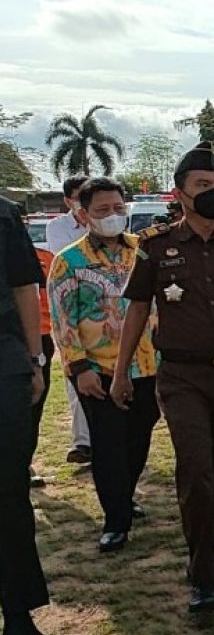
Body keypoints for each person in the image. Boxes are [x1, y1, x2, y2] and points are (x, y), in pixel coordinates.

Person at [113, 141, 214, 614]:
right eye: (202, 185)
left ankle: (213, 551)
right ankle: (202, 572)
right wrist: (123, 370)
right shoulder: (156, 248)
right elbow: (138, 309)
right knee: (198, 471)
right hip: (180, 376)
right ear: (180, 193)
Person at [47, 178, 159, 553]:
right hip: (98, 370)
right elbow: (63, 320)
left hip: (145, 366)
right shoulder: (69, 262)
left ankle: (125, 496)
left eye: (118, 208)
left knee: (139, 437)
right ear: (83, 214)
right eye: (102, 210)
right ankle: (115, 519)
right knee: (108, 444)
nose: (113, 216)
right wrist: (79, 368)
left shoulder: (142, 251)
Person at [0, 194, 51, 635]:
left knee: (7, 495)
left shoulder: (2, 212)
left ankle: (17, 616)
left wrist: (35, 359)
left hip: (3, 364)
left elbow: (22, 287)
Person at [46, 174, 91, 465]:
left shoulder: (108, 222)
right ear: (68, 201)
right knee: (77, 374)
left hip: (106, 312)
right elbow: (70, 260)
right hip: (70, 308)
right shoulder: (58, 227)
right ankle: (83, 442)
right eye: (79, 197)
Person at [29, 243, 55, 489]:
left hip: (40, 339)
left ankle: (24, 460)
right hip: (8, 338)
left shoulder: (46, 258)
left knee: (33, 408)